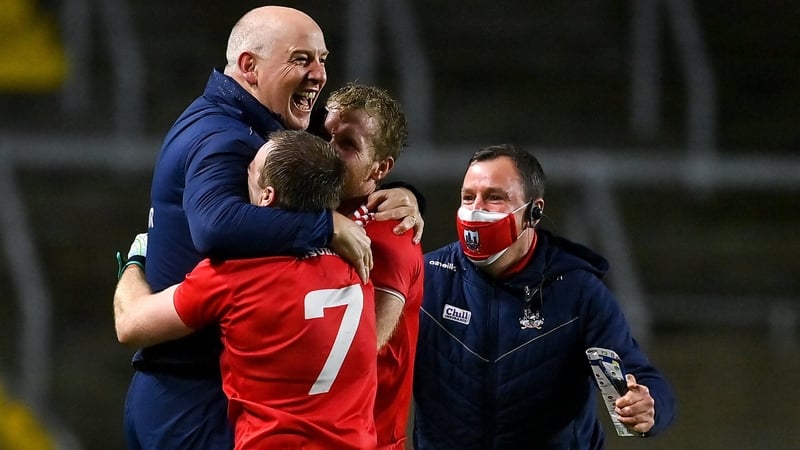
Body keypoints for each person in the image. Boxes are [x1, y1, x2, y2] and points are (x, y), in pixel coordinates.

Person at [125, 6, 423, 450]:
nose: (320, 75)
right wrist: (326, 226)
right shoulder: (228, 138)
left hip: (200, 397)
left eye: (323, 59)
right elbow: (215, 226)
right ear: (249, 66)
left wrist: (133, 262)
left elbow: (131, 322)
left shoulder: (233, 127)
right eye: (302, 59)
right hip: (195, 399)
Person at [116, 130, 379, 449]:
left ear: (267, 196)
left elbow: (130, 324)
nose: (242, 175)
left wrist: (135, 259)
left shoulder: (237, 275)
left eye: (250, 170)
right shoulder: (359, 261)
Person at [413, 144, 676, 449]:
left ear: (534, 212)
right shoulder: (427, 278)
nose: (476, 209)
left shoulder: (577, 291)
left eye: (494, 197)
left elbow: (636, 372)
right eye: (468, 197)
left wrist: (649, 406)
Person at [322, 83, 424, 450]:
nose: (328, 151)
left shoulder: (391, 237)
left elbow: (363, 349)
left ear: (381, 168)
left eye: (348, 145)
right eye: (324, 135)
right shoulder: (301, 217)